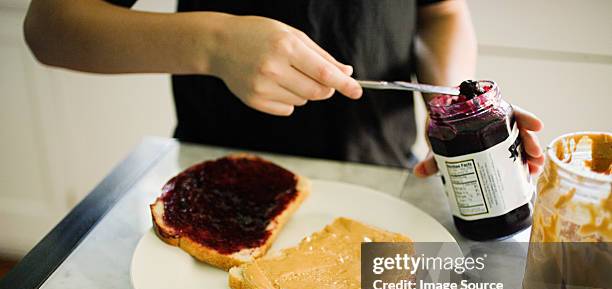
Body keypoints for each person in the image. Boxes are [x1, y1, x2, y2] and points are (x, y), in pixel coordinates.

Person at [23, 0, 544, 176]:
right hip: (214, 180)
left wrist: (451, 104)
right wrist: (215, 43)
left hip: (387, 180)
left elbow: (443, 12)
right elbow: (50, 26)